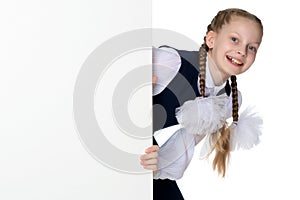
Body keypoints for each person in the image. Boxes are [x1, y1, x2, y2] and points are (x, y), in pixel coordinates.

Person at [140, 8, 264, 200]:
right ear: (211, 40)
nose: (242, 50)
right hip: (121, 131)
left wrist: (160, 163)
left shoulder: (228, 98)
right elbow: (123, 72)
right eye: (234, 39)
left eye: (252, 47)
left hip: (143, 146)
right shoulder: (171, 63)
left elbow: (188, 139)